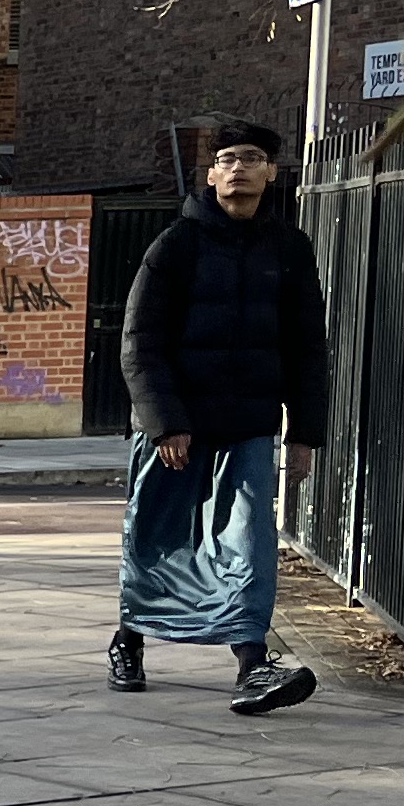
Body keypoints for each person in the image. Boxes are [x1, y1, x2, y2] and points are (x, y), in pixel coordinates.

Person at [114, 120, 327, 713]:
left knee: (249, 543)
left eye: (252, 158)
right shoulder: (175, 245)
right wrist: (165, 423)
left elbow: (309, 346)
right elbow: (139, 340)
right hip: (175, 430)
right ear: (212, 174)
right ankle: (130, 639)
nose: (239, 168)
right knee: (157, 539)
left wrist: (304, 434)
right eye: (228, 158)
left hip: (249, 426)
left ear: (270, 172)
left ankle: (253, 666)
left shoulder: (289, 247)